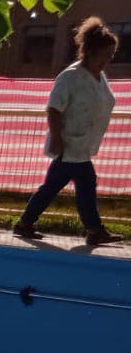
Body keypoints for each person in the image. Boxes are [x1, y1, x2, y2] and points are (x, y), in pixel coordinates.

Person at [13, 17, 121, 247]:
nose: (108, 60)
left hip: (81, 145)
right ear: (91, 51)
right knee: (66, 185)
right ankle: (92, 229)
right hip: (68, 144)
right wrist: (56, 140)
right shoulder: (71, 77)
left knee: (70, 185)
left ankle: (91, 229)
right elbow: (53, 109)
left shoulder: (98, 77)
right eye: (105, 55)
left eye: (111, 56)